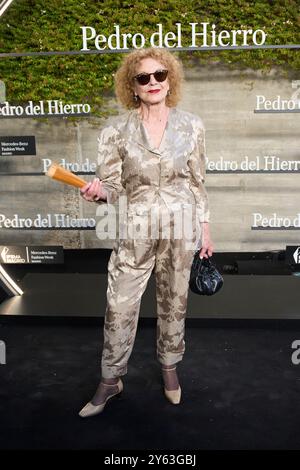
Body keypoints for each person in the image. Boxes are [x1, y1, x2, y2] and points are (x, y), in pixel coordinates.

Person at [79, 47, 214, 417]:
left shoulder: (192, 126)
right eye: (143, 78)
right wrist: (98, 192)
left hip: (182, 225)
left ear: (170, 80)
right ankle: (110, 379)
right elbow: (112, 187)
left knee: (174, 301)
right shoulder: (114, 131)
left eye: (160, 75)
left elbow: (198, 183)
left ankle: (170, 368)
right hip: (134, 227)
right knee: (119, 303)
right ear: (132, 86)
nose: (153, 82)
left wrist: (204, 229)